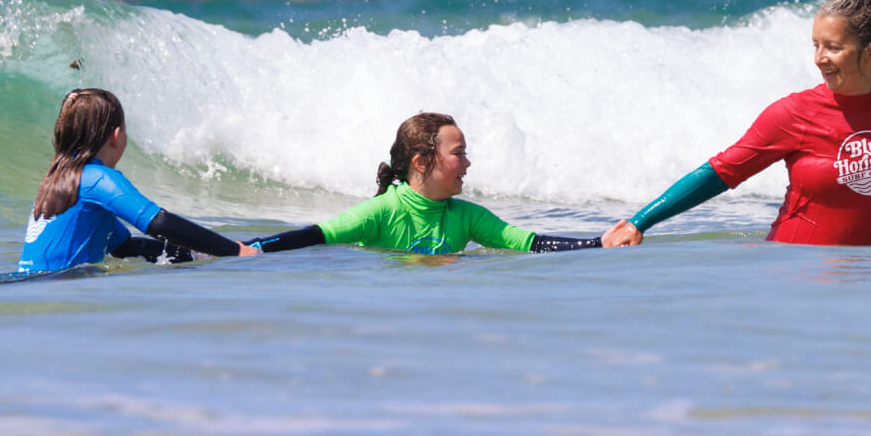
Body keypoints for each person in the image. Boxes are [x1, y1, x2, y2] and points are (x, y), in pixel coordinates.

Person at [602, 0, 871, 248]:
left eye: (833, 47)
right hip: (798, 267)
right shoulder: (794, 113)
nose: (819, 58)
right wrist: (640, 222)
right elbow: (721, 172)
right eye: (816, 45)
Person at [249, 112, 610, 257]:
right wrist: (231, 250)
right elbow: (311, 237)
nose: (467, 163)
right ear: (422, 162)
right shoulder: (382, 211)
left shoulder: (467, 216)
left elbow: (531, 244)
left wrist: (598, 243)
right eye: (459, 154)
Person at [19, 87, 253, 274]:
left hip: (35, 289)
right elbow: (158, 223)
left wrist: (201, 253)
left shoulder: (58, 182)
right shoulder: (97, 177)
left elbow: (126, 248)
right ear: (116, 136)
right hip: (62, 289)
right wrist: (233, 250)